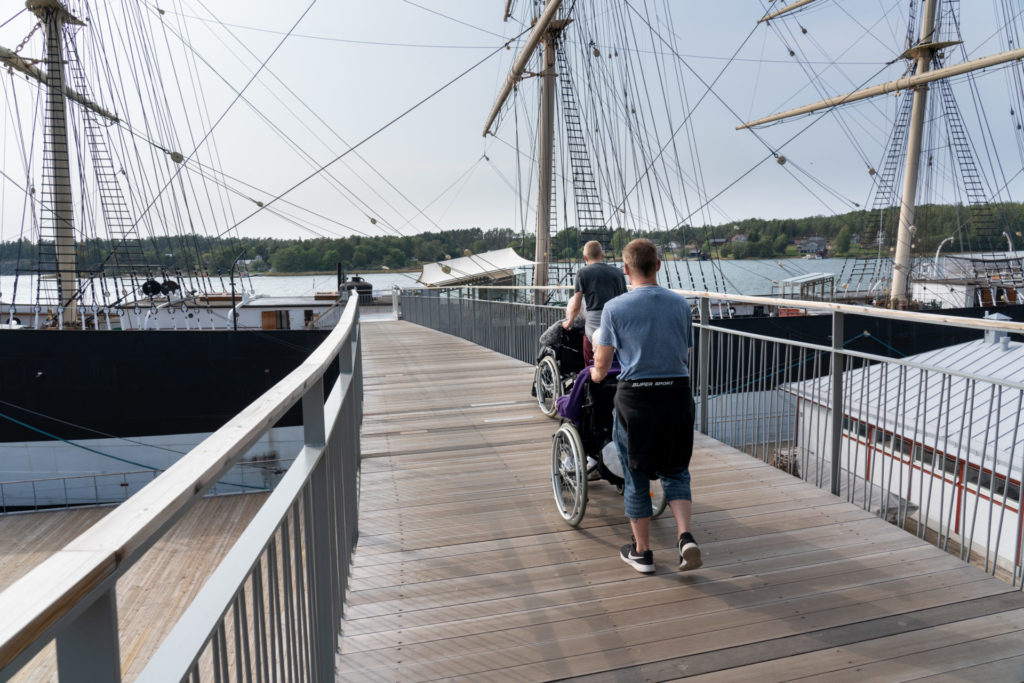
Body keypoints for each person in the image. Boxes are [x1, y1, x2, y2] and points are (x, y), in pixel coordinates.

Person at [590, 238, 701, 574]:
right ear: (658, 266)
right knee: (676, 470)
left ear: (626, 270)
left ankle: (642, 552)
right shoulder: (681, 305)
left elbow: (603, 360)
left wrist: (596, 375)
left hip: (636, 399)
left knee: (636, 475)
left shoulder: (614, 309)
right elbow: (683, 352)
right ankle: (685, 537)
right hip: (677, 395)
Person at [563, 241, 627, 364]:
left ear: (585, 257)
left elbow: (576, 306)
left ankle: (591, 374)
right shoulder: (618, 272)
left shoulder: (582, 273)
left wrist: (569, 323)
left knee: (588, 344)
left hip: (593, 324)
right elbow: (624, 300)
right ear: (602, 255)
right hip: (615, 323)